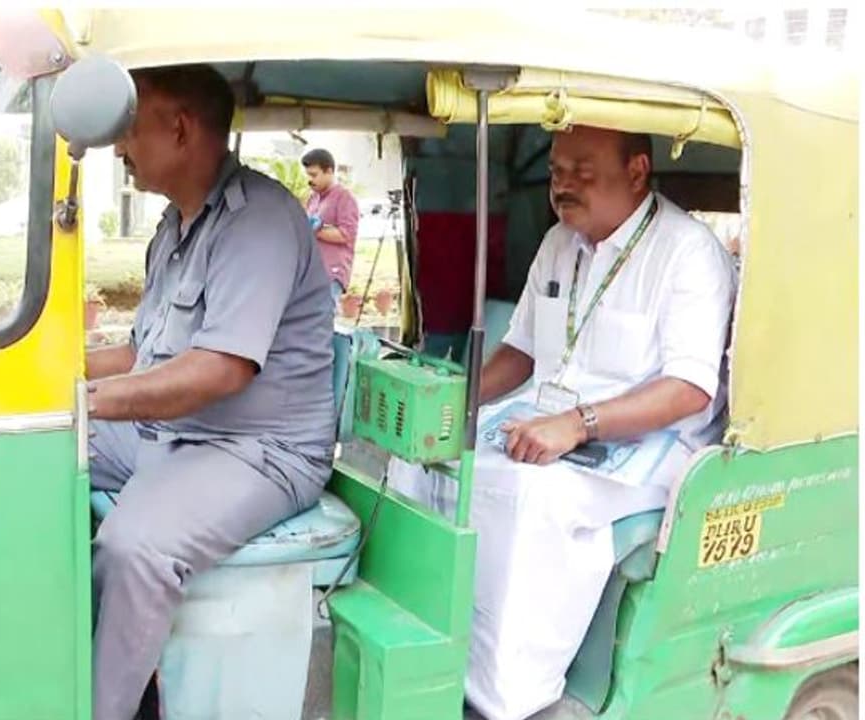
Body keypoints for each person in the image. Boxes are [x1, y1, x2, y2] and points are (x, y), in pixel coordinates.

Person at [390, 125, 737, 720]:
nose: (563, 185)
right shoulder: (559, 241)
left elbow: (688, 389)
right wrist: (457, 398)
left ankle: (507, 695)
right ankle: (423, 641)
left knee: (531, 495)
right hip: (549, 413)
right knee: (424, 453)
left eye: (582, 170)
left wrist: (578, 424)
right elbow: (521, 351)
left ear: (636, 170)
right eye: (555, 172)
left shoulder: (687, 251)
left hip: (651, 440)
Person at [85, 64, 336, 720]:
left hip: (259, 449)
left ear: (180, 128)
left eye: (130, 130)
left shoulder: (260, 222)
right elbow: (144, 356)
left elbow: (221, 369)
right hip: (180, 431)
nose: (119, 148)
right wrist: (46, 372)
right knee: (39, 446)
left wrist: (92, 401)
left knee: (135, 547)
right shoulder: (174, 228)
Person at [302, 148, 360, 304]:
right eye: (308, 175)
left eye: (314, 175)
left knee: (323, 321)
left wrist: (317, 230)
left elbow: (346, 234)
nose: (310, 180)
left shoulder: (344, 198)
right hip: (312, 274)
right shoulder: (313, 198)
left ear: (329, 171)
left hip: (331, 273)